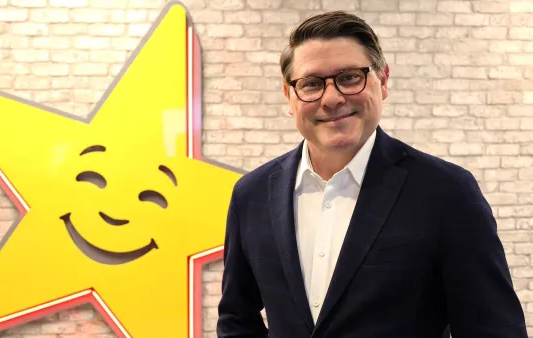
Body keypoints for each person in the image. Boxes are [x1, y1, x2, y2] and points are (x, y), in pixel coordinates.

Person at [216, 10, 527, 338]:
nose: (332, 98)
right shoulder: (251, 194)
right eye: (311, 84)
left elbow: (494, 328)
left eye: (350, 77)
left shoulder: (447, 192)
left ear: (383, 80)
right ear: (289, 96)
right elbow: (237, 318)